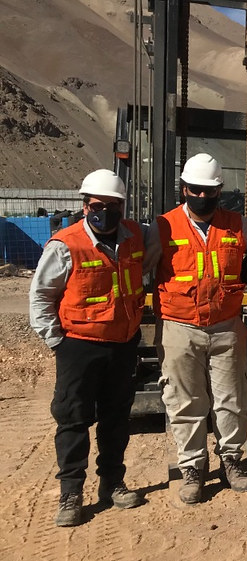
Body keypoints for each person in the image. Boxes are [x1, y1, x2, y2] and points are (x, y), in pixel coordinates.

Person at [29, 169, 146, 527]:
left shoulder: (135, 237)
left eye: (113, 205)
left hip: (123, 344)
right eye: (98, 205)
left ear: (122, 207)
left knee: (115, 418)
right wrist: (57, 342)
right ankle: (71, 492)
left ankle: (112, 482)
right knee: (73, 418)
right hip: (79, 346)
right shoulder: (66, 245)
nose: (105, 211)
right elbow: (41, 296)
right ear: (85, 206)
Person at [153, 152, 247, 504]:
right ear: (184, 188)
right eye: (196, 190)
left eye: (210, 191)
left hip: (226, 325)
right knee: (185, 401)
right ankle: (193, 468)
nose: (203, 197)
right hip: (179, 326)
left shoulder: (237, 225)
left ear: (219, 191)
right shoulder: (162, 227)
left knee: (232, 398)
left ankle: (231, 461)